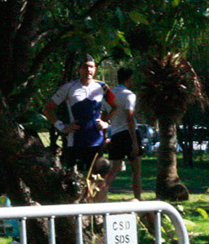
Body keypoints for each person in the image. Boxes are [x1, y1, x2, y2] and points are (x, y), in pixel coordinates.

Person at [42, 55, 115, 184]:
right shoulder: (69, 87)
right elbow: (47, 109)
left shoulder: (102, 87)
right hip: (75, 142)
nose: (88, 70)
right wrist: (62, 126)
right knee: (74, 181)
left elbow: (115, 107)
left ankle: (94, 203)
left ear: (95, 69)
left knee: (96, 182)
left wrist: (106, 123)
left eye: (91, 67)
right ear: (79, 69)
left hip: (96, 142)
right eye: (85, 67)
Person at [102, 67, 143, 199]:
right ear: (129, 79)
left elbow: (104, 116)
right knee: (136, 171)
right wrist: (135, 143)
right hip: (129, 134)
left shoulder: (109, 95)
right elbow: (129, 117)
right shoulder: (129, 95)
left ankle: (100, 196)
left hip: (115, 134)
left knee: (113, 170)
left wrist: (105, 136)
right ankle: (138, 199)